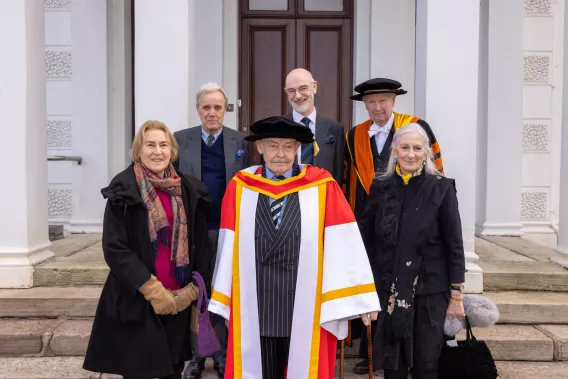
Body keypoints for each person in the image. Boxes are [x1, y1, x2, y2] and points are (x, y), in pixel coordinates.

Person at [208, 116, 380, 379]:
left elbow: (345, 242)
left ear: (298, 148)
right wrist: (224, 297)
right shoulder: (240, 187)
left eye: (288, 146)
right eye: (273, 145)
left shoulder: (323, 186)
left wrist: (359, 298)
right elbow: (226, 245)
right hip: (255, 304)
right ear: (260, 147)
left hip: (305, 306)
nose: (280, 154)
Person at [83, 121, 212, 379]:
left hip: (178, 298)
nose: (157, 151)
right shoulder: (123, 189)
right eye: (150, 144)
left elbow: (201, 243)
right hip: (139, 298)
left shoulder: (188, 188)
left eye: (163, 145)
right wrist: (153, 291)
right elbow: (115, 248)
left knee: (173, 368)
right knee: (138, 369)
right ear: (138, 150)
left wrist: (195, 288)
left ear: (172, 150)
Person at [357, 123, 466, 378]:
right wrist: (362, 288)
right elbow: (365, 240)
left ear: (426, 153)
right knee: (394, 366)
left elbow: (454, 243)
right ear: (394, 151)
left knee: (427, 364)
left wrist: (456, 293)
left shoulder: (441, 189)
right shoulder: (379, 187)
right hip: (390, 293)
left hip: (430, 292)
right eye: (404, 147)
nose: (410, 154)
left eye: (417, 148)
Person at [174, 82, 249, 379]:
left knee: (222, 294)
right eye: (206, 107)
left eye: (218, 107)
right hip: (193, 232)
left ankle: (221, 356)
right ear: (198, 109)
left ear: (225, 109)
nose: (212, 113)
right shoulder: (181, 140)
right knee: (196, 293)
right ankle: (196, 357)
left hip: (228, 231)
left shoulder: (242, 142)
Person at [344, 78, 444, 219]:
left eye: (383, 101)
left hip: (406, 207)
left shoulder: (416, 127)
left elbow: (434, 167)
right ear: (365, 105)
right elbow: (349, 178)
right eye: (371, 102)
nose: (377, 107)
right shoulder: (354, 135)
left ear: (393, 101)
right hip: (367, 212)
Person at [283, 68, 345, 185]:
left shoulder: (335, 129)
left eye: (303, 88)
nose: (297, 96)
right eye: (291, 91)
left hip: (323, 198)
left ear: (314, 87)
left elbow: (338, 174)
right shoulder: (277, 127)